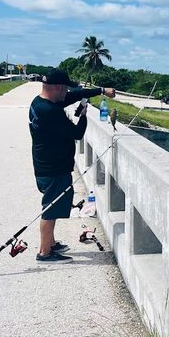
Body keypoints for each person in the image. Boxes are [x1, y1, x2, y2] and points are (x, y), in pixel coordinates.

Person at [29, 69, 116, 263]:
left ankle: (50, 243)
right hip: (53, 169)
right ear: (58, 87)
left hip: (47, 165)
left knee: (54, 205)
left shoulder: (39, 102)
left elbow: (73, 95)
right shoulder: (49, 111)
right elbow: (77, 133)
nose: (66, 93)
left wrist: (100, 90)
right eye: (65, 89)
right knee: (50, 209)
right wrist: (84, 114)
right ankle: (44, 252)